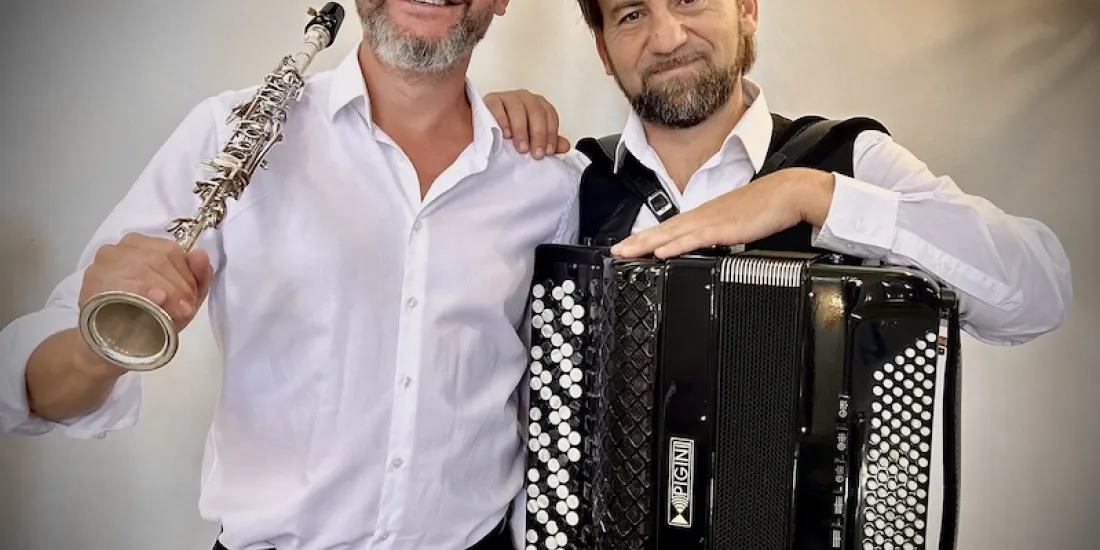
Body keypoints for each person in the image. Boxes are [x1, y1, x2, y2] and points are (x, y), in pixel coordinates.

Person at [0, 1, 580, 549]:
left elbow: (558, 402)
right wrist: (96, 349)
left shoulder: (550, 181)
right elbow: (37, 391)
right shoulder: (229, 131)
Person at [485, 0, 1073, 346]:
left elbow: (1038, 297)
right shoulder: (568, 183)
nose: (666, 38)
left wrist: (811, 195)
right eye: (632, 13)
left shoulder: (850, 162)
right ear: (603, 49)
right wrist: (476, 133)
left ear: (747, 10)